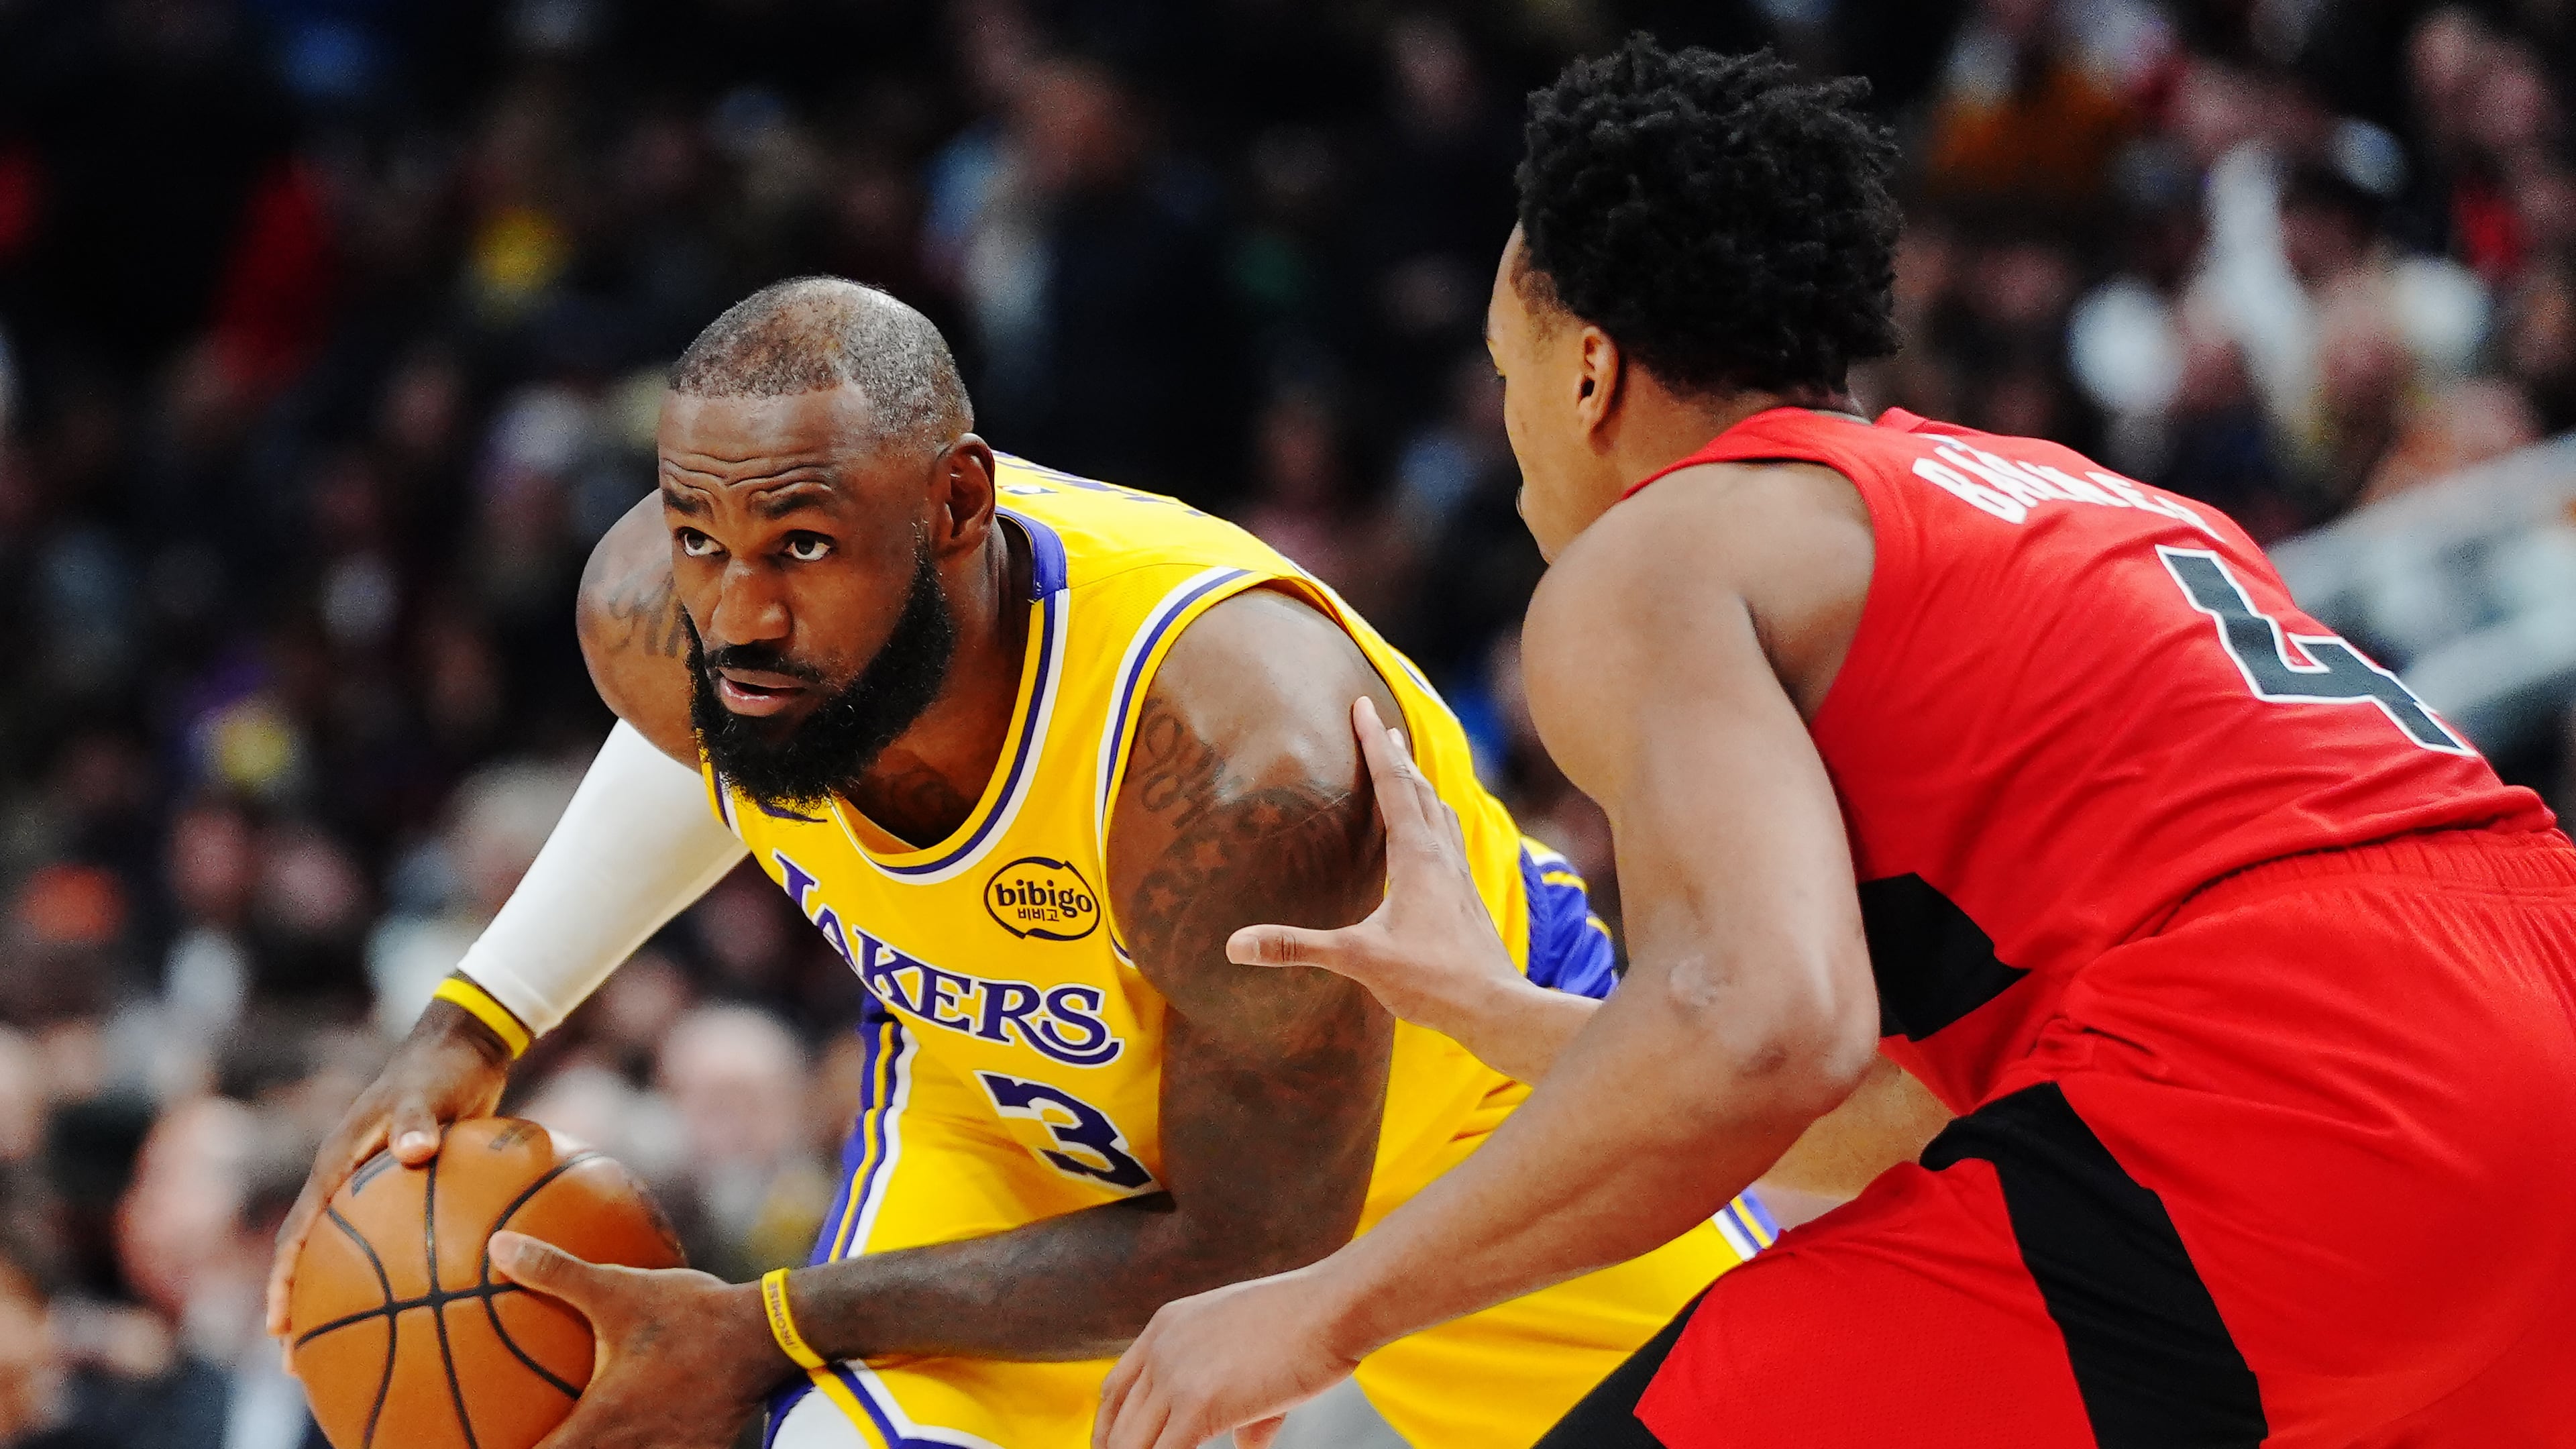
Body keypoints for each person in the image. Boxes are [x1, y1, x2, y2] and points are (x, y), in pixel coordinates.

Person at [1094, 39, 2576, 1449]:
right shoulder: (2081, 496)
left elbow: (1763, 1029)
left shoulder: (1657, 557)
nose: (1511, 423)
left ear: (1591, 373)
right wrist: (1508, 1017)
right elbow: (1895, 1114)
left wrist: (1320, 1313)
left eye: (1508, 367)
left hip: (2288, 1073)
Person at [262, 276, 1768, 1449]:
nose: (737, 614)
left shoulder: (1237, 765)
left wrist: (771, 1324)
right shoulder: (670, 628)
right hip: (1017, 1146)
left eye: (800, 544)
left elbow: (1255, 1238)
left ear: (960, 505)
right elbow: (696, 751)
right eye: (700, 538)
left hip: (1474, 1144)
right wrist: (477, 1020)